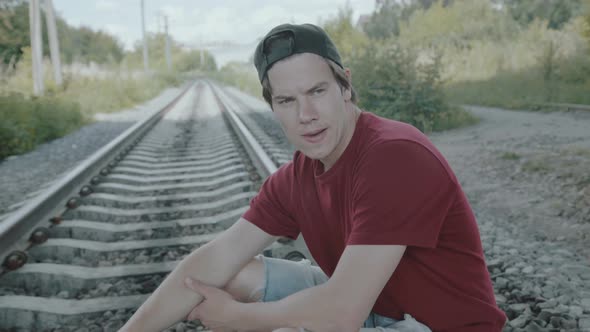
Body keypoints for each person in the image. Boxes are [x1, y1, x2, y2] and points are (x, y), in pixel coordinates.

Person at [119, 23, 507, 332]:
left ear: (346, 87)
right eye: (286, 100)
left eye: (317, 91)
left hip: (436, 326)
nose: (306, 114)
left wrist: (238, 319)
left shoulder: (394, 155)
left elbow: (340, 315)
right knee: (226, 275)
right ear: (273, 107)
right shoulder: (295, 178)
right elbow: (213, 259)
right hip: (378, 309)